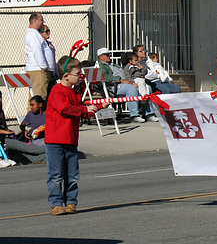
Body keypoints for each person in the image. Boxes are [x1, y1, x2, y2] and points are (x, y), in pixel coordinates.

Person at [45, 56, 106, 215]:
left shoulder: (74, 93)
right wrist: (85, 109)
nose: (81, 76)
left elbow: (81, 112)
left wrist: (98, 106)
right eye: (78, 73)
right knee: (56, 175)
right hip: (55, 141)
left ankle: (71, 201)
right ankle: (56, 203)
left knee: (72, 175)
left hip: (71, 139)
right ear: (66, 76)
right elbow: (66, 110)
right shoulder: (57, 91)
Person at [95, 48, 146, 123]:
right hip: (114, 85)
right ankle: (134, 115)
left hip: (126, 81)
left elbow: (125, 73)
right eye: (107, 55)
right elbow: (106, 78)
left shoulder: (114, 65)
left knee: (147, 87)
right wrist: (122, 80)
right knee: (131, 89)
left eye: (109, 54)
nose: (109, 56)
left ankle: (148, 114)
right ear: (100, 57)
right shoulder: (100, 66)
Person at [0, 92, 47, 164]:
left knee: (21, 151)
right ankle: (52, 150)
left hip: (6, 137)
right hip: (3, 139)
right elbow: (22, 125)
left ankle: (46, 156)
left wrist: (8, 131)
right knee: (29, 147)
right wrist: (6, 132)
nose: (0, 100)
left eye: (1, 97)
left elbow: (5, 127)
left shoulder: (1, 112)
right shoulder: (31, 114)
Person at [24, 12, 50, 99]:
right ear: (35, 20)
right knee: (39, 97)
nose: (43, 21)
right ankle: (36, 113)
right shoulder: (33, 34)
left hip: (39, 70)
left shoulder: (34, 33)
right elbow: (37, 51)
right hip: (38, 70)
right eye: (41, 19)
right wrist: (43, 67)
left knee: (36, 96)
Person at [39, 24, 58, 94]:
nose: (48, 33)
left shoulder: (50, 45)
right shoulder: (40, 44)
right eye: (46, 31)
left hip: (52, 74)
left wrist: (56, 72)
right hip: (45, 73)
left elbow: (53, 59)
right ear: (40, 33)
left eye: (49, 31)